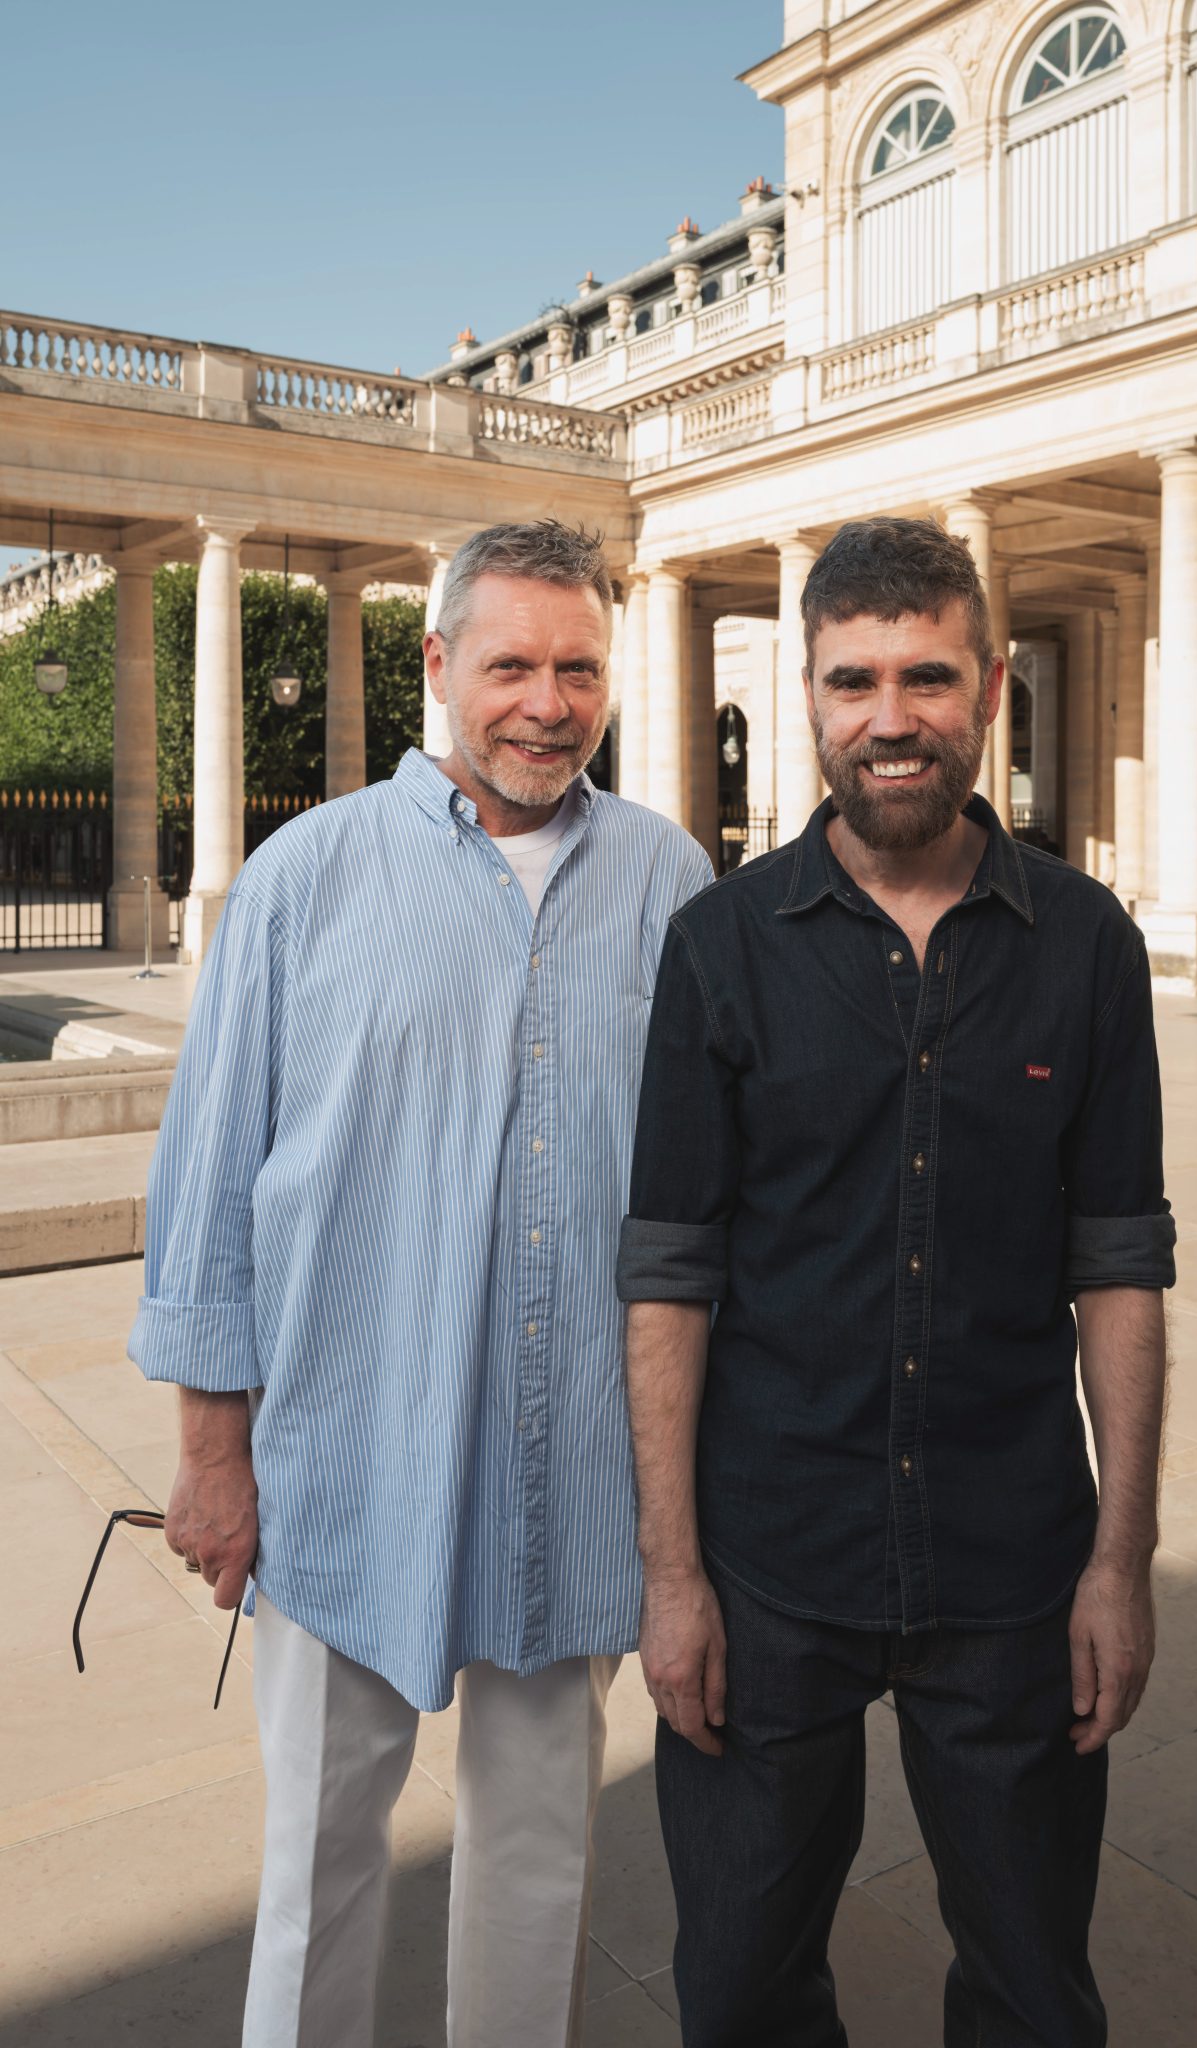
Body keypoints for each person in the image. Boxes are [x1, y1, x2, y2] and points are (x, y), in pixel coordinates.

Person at [129, 520, 712, 2048]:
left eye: (575, 666)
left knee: (537, 1855)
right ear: (439, 666)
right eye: (509, 662)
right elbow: (205, 1192)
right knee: (318, 1857)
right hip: (340, 1467)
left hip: (571, 1465)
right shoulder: (305, 878)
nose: (544, 700)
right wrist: (211, 1459)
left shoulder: (670, 878)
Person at [618, 517, 1175, 2048]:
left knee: (1031, 1992)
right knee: (735, 1991)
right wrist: (669, 1580)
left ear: (987, 687)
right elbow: (666, 1276)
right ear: (804, 694)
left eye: (924, 676)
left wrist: (1117, 1562)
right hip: (768, 1562)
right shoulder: (718, 947)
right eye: (852, 679)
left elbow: (1118, 1265)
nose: (888, 716)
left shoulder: (1084, 946)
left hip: (1011, 1566)